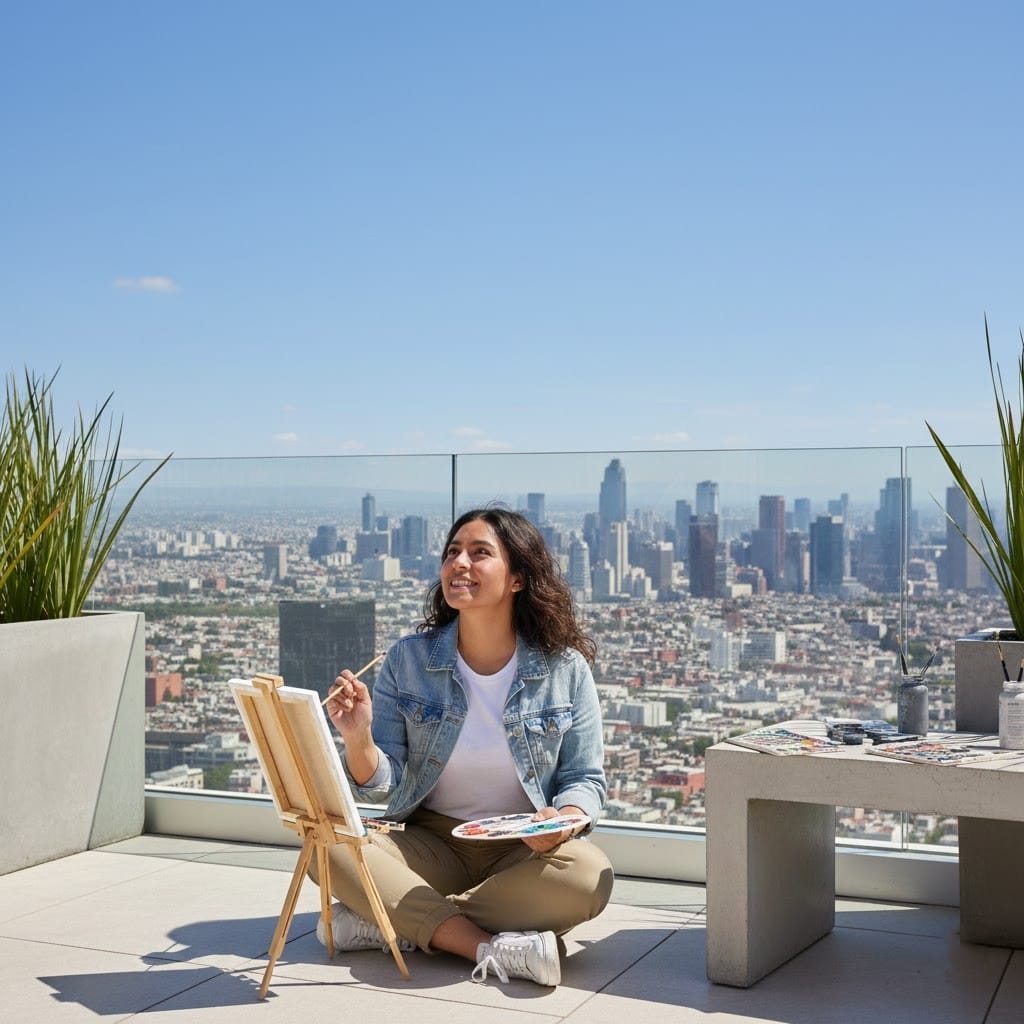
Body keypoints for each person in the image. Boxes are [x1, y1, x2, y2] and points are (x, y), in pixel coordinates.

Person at [313, 506, 613, 987]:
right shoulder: (407, 659)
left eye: (480, 553)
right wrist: (358, 736)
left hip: (522, 848)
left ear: (517, 578)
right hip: (433, 843)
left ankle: (398, 918)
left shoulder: (565, 668)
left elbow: (585, 779)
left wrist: (565, 821)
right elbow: (380, 784)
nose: (460, 564)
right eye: (453, 552)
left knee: (588, 876)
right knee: (326, 848)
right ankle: (486, 945)